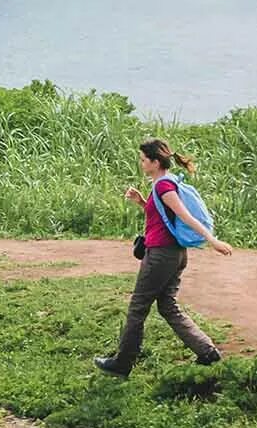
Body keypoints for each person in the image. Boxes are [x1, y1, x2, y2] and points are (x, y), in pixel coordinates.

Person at [94, 137, 233, 377]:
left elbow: (186, 216)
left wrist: (213, 241)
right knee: (168, 306)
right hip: (174, 254)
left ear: (156, 162)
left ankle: (122, 364)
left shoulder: (163, 186)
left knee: (138, 308)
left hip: (161, 256)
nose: (141, 163)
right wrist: (142, 202)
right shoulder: (164, 184)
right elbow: (164, 218)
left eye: (144, 160)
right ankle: (207, 352)